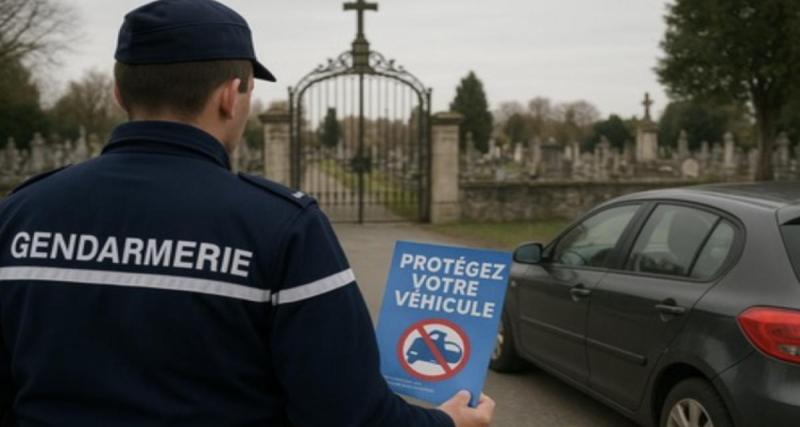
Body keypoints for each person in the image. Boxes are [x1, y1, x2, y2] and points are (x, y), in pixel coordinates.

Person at [0, 1, 496, 426]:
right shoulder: (282, 228)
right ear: (230, 95)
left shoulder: (19, 214)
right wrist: (444, 421)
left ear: (118, 92)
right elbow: (346, 413)